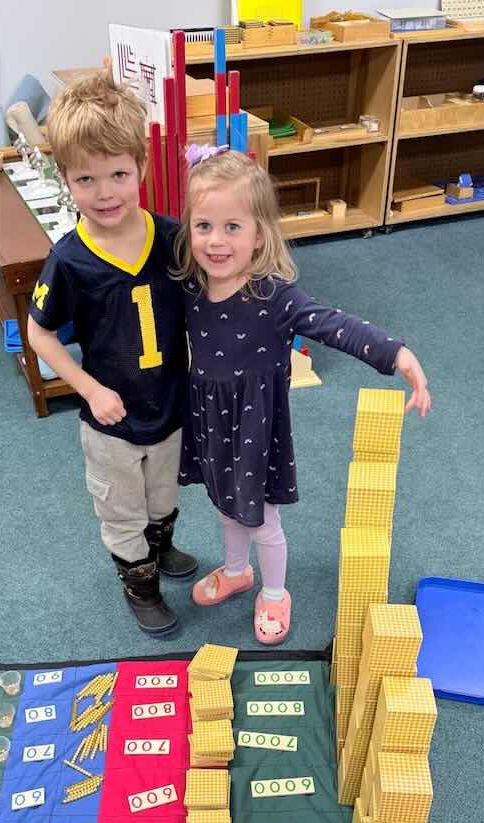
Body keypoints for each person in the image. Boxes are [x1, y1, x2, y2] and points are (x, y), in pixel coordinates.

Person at [173, 148, 431, 645]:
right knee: (225, 506)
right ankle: (235, 570)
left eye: (232, 227)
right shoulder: (191, 286)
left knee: (262, 516)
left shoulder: (275, 296)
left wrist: (397, 354)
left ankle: (273, 590)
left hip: (254, 427)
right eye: (203, 225)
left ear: (259, 234)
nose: (216, 240)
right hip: (209, 417)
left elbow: (335, 325)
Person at [27, 74, 197, 636]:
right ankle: (139, 582)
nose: (105, 193)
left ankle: (162, 546)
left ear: (142, 169)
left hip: (168, 404)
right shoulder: (70, 259)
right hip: (111, 419)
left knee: (163, 495)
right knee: (121, 509)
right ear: (66, 180)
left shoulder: (173, 237)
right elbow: (40, 334)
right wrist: (91, 390)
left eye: (119, 174)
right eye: (86, 179)